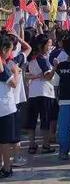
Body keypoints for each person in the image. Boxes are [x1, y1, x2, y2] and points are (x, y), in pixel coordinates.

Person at [25, 34, 56, 154]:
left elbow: (26, 74)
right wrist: (55, 68)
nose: (50, 46)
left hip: (33, 92)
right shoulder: (42, 59)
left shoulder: (31, 58)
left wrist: (35, 76)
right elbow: (48, 76)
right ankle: (46, 145)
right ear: (42, 46)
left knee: (32, 119)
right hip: (45, 92)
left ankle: (32, 145)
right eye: (48, 44)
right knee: (45, 119)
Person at [7, 31, 32, 168]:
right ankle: (16, 157)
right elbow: (28, 48)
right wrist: (19, 37)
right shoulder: (16, 61)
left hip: (6, 102)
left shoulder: (4, 62)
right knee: (15, 132)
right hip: (14, 101)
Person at [0, 34, 21, 178]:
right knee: (5, 140)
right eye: (10, 50)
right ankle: (7, 168)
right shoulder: (2, 64)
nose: (11, 53)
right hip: (5, 107)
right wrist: (16, 72)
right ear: (4, 49)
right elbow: (13, 83)